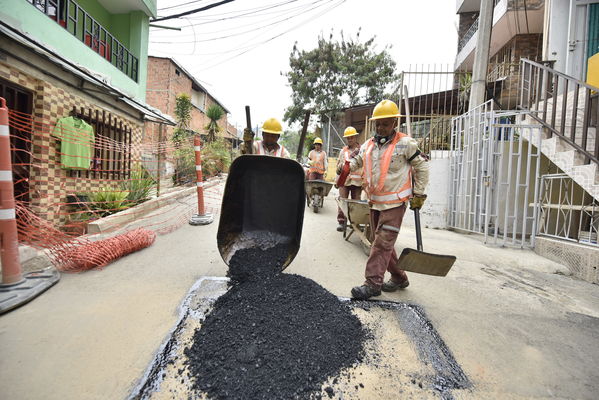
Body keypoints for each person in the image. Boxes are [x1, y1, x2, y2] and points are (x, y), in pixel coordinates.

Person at [339, 99, 429, 300]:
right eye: (378, 124)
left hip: (395, 203)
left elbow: (421, 167)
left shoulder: (406, 144)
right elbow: (358, 161)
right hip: (375, 202)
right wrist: (345, 167)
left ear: (394, 123)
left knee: (381, 243)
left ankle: (372, 284)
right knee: (381, 243)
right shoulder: (368, 145)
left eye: (385, 124)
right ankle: (399, 277)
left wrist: (420, 194)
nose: (381, 128)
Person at [335, 126, 363, 232]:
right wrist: (337, 180)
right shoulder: (343, 151)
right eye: (348, 138)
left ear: (355, 137)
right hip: (344, 180)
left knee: (356, 203)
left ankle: (354, 222)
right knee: (343, 201)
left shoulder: (361, 150)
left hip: (357, 181)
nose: (350, 140)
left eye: (351, 137)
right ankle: (342, 222)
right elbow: (338, 166)